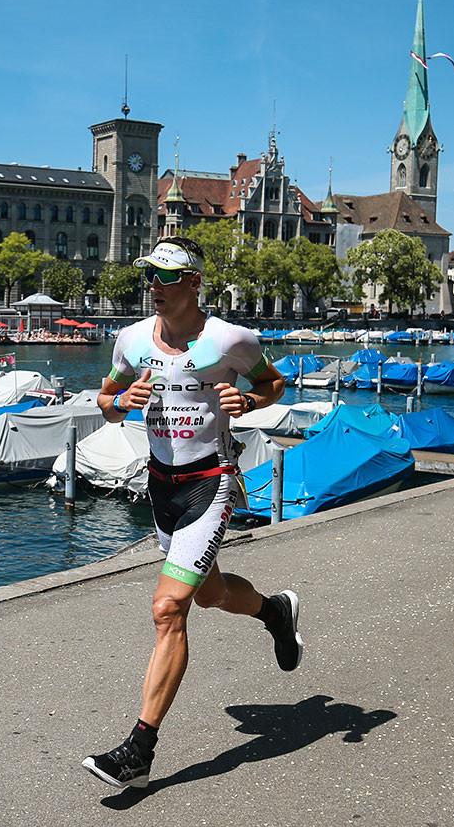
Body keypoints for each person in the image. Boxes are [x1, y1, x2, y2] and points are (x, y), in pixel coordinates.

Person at [82, 235, 303, 790]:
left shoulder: (231, 339)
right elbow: (105, 403)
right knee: (209, 593)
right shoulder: (131, 340)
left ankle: (139, 749)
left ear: (194, 282)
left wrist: (248, 401)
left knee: (168, 607)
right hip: (162, 486)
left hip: (212, 481)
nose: (153, 286)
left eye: (165, 276)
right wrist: (119, 403)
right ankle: (275, 612)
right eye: (149, 276)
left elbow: (274, 383)